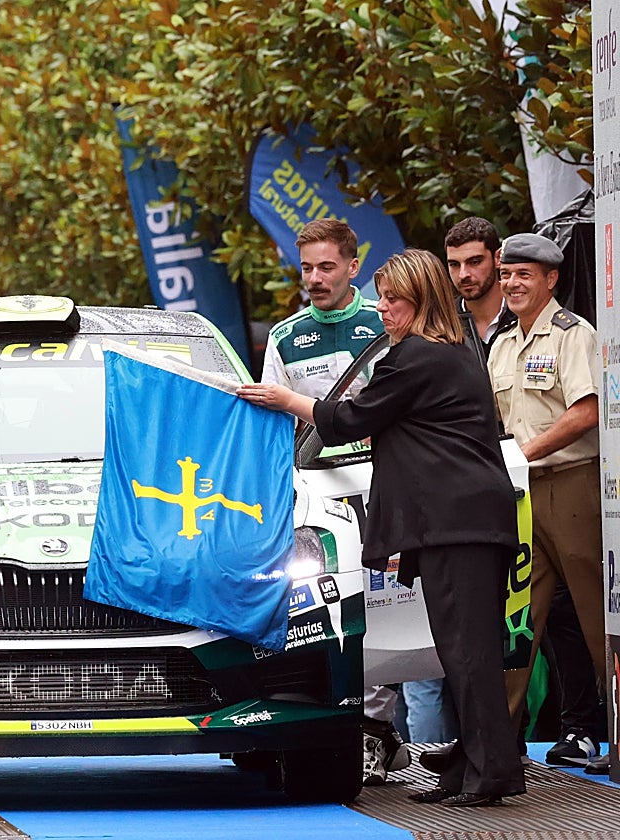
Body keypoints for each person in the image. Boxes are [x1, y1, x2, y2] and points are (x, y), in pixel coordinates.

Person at [239, 248, 526, 807]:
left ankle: (491, 773)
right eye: (385, 298)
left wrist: (285, 398)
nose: (384, 310)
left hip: (456, 521)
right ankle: (470, 762)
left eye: (394, 300)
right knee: (463, 649)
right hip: (465, 518)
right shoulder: (452, 352)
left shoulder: (414, 357)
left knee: (468, 652)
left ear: (421, 303)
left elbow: (348, 419)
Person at [260, 218, 406, 786]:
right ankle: (355, 730)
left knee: (394, 604)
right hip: (322, 489)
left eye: (327, 267)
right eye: (307, 269)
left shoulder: (384, 322)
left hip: (385, 478)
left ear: (353, 267)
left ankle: (383, 729)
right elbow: (274, 420)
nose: (315, 279)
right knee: (335, 600)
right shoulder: (285, 336)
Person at [488, 233, 607, 769]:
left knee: (598, 618)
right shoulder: (503, 342)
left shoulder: (573, 335)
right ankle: (494, 746)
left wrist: (522, 454)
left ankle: (619, 737)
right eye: (507, 273)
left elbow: (587, 411)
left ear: (551, 279)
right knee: (515, 622)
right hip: (520, 494)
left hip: (573, 484)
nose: (512, 283)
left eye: (525, 275)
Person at [444, 217, 516, 348]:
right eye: (454, 264)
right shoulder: (443, 326)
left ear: (498, 258)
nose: (463, 274)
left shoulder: (525, 312)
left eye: (475, 262)